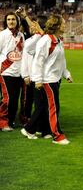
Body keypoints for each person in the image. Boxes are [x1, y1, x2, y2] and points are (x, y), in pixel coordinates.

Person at [20, 14, 73, 144]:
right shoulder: (45, 41)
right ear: (56, 25)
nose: (65, 25)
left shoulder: (58, 40)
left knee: (46, 107)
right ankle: (57, 136)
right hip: (47, 80)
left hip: (54, 79)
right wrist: (38, 80)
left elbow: (61, 61)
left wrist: (66, 74)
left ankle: (29, 129)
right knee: (53, 108)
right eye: (63, 23)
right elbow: (38, 62)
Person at [0, 12, 25, 131]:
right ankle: (2, 122)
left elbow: (22, 53)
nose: (11, 21)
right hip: (5, 72)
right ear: (6, 22)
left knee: (15, 99)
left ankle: (10, 121)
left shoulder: (21, 35)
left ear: (17, 21)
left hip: (18, 72)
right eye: (9, 19)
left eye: (13, 19)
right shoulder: (2, 35)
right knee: (7, 99)